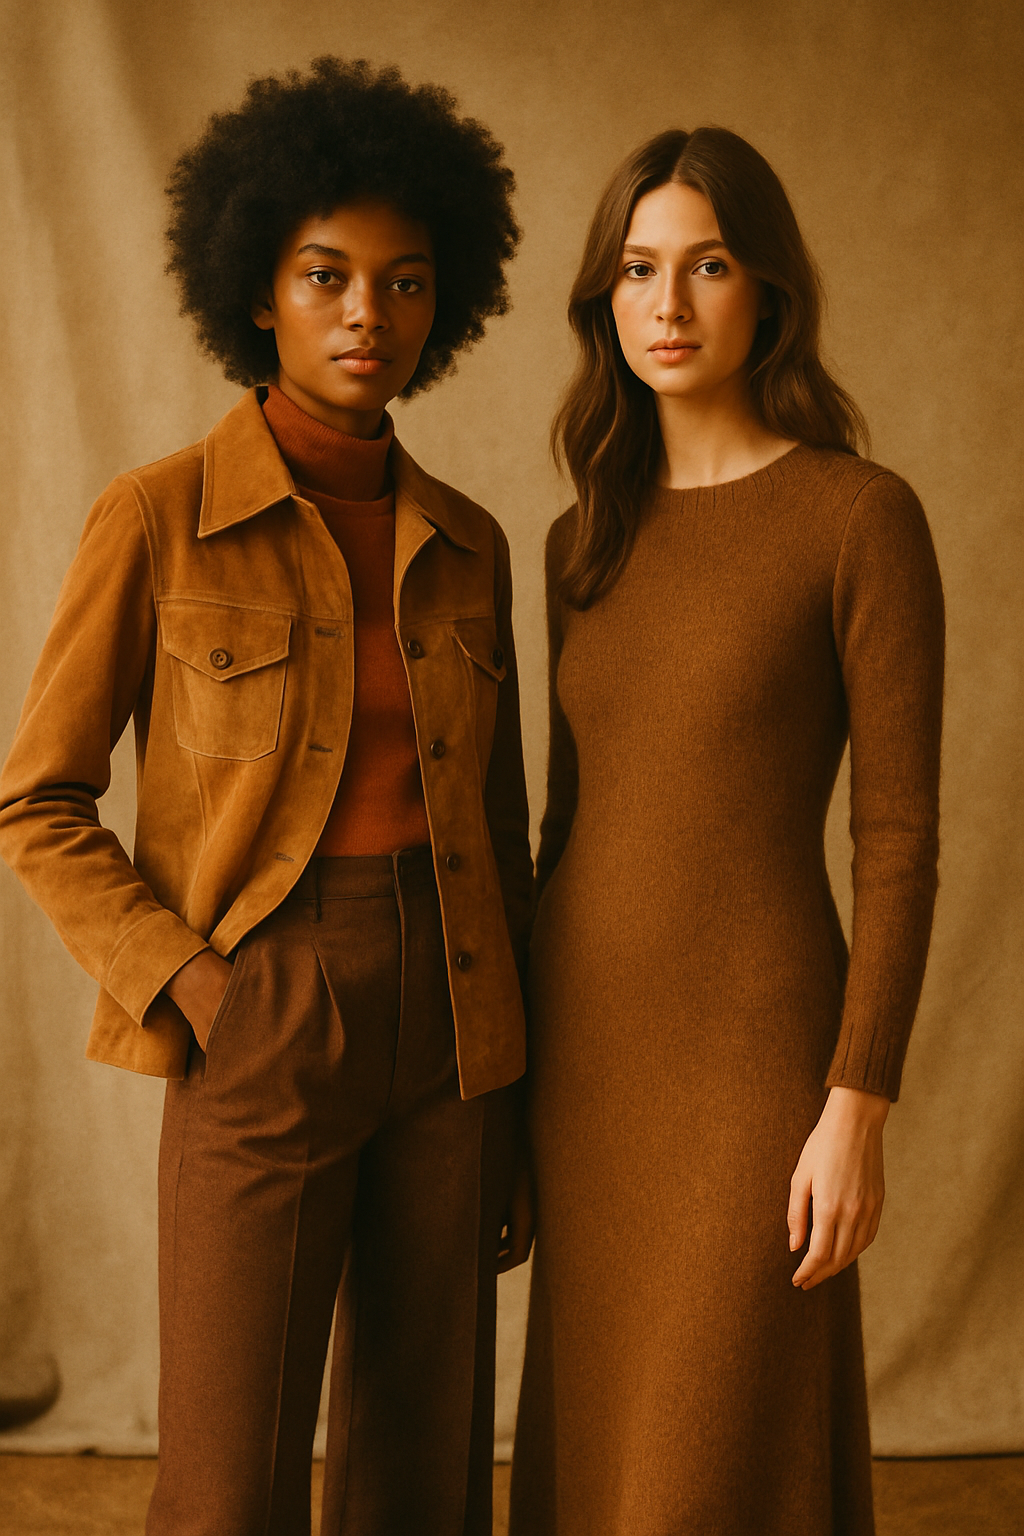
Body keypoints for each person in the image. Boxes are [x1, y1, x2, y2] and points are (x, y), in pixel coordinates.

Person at [0, 57, 534, 1536]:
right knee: (228, 1480)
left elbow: (500, 835)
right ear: (257, 291)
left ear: (449, 302)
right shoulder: (158, 517)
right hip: (267, 1004)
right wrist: (200, 986)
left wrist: (516, 1093)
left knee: (426, 1473)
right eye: (327, 275)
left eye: (407, 280)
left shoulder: (472, 546)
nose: (370, 312)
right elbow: (36, 800)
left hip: (454, 1023)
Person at [509, 127, 944, 1535]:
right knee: (603, 1456)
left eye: (708, 264)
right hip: (584, 1061)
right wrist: (510, 1094)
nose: (670, 304)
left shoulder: (858, 520)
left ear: (770, 290)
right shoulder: (580, 547)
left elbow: (898, 838)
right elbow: (560, 831)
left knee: (708, 1464)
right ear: (605, 298)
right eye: (638, 269)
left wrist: (856, 1101)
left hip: (760, 1054)